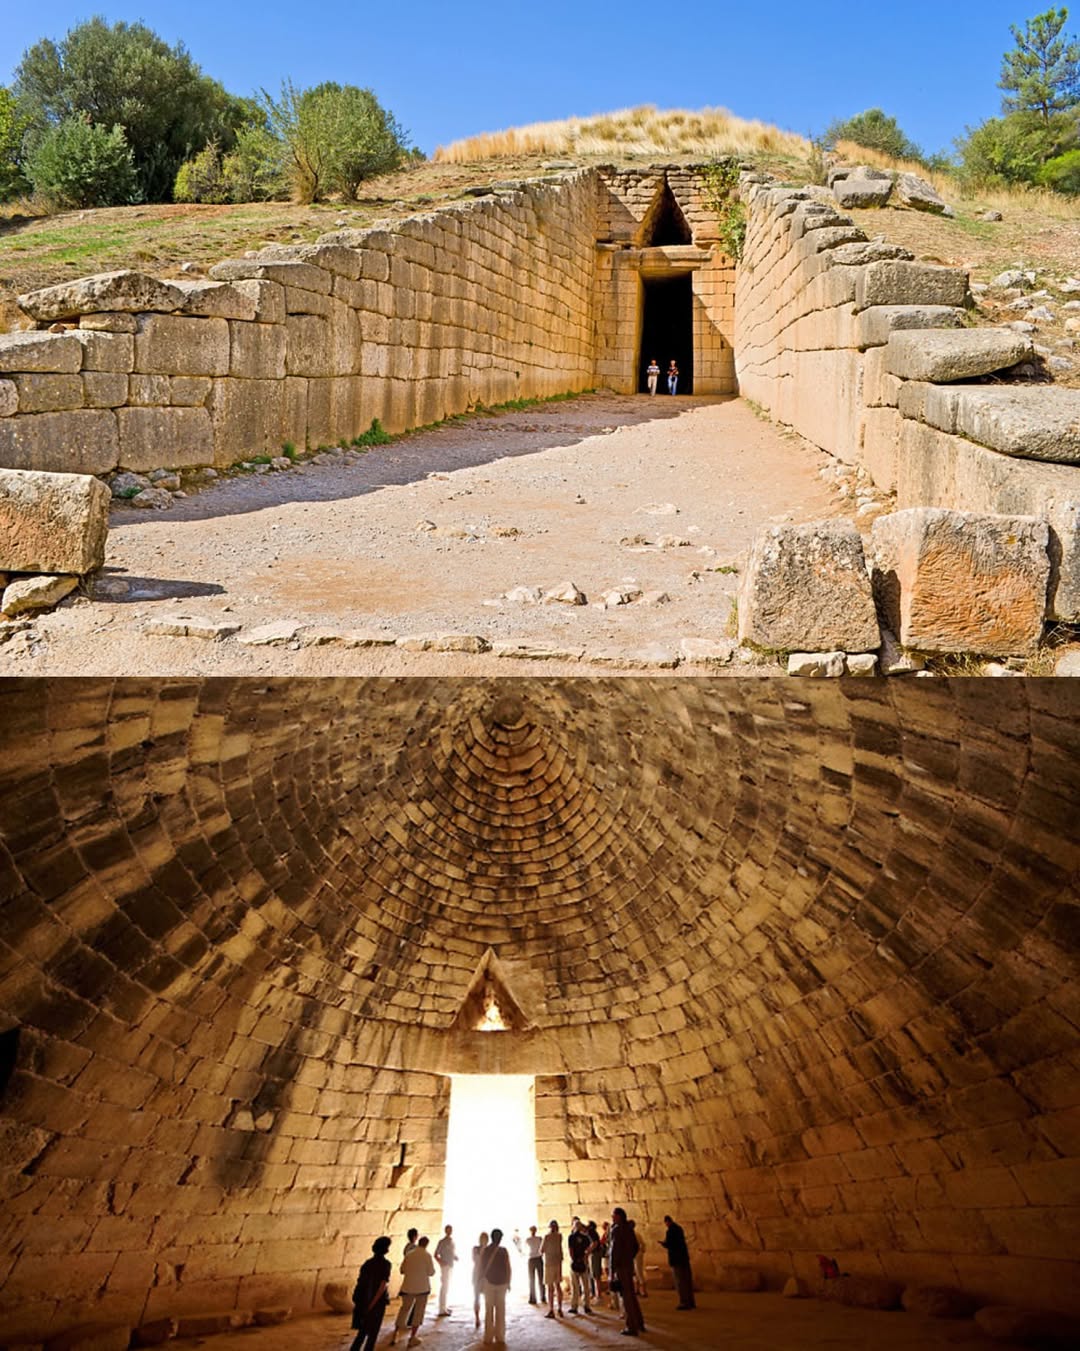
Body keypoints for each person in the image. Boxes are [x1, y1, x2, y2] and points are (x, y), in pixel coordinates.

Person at [389, 1235, 434, 1347]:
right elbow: (431, 1272)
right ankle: (412, 1337)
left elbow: (402, 1270)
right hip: (422, 1288)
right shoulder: (427, 1255)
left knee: (404, 1310)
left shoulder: (409, 1254)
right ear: (427, 1244)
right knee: (418, 1313)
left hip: (407, 1287)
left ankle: (395, 1333)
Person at [349, 1237, 391, 1351]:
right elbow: (382, 1286)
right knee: (372, 1336)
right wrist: (372, 1304)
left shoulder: (367, 1263)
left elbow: (361, 1282)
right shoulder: (386, 1264)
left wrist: (365, 1305)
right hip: (376, 1304)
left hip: (363, 1301)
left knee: (362, 1333)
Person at [609, 1207, 645, 1337]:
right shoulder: (629, 1229)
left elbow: (614, 1252)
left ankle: (631, 1326)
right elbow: (636, 1247)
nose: (612, 1217)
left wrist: (612, 1270)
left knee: (626, 1297)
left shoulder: (617, 1230)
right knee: (631, 1295)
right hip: (628, 1265)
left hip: (621, 1267)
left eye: (613, 1215)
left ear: (618, 1216)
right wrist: (629, 1257)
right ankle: (639, 1323)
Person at [480, 1227, 512, 1345]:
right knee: (500, 1310)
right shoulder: (503, 1251)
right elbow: (508, 1267)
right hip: (502, 1283)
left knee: (489, 1310)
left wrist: (479, 1281)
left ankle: (488, 1337)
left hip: (489, 1282)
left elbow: (481, 1267)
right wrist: (509, 1281)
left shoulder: (486, 1250)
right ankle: (500, 1336)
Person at [660, 1215, 695, 1309]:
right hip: (684, 1258)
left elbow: (670, 1244)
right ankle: (691, 1301)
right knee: (687, 1280)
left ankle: (684, 1302)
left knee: (680, 1281)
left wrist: (663, 1244)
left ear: (667, 1222)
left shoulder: (670, 1231)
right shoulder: (679, 1228)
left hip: (676, 1259)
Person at [567, 1217, 592, 1314]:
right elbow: (588, 1250)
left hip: (575, 1263)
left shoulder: (571, 1237)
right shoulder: (585, 1238)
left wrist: (574, 1260)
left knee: (575, 1286)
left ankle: (574, 1306)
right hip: (583, 1262)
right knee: (585, 1285)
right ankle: (587, 1306)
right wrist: (584, 1259)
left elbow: (571, 1250)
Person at [540, 1219, 564, 1319]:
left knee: (550, 1288)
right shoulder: (559, 1236)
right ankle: (560, 1308)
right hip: (557, 1263)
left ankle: (551, 1310)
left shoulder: (547, 1237)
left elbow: (541, 1250)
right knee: (558, 1286)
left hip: (549, 1263)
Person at [434, 1224, 456, 1317]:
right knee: (444, 1287)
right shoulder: (442, 1242)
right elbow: (436, 1254)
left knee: (447, 1287)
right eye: (448, 1230)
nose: (450, 1231)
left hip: (450, 1265)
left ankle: (444, 1307)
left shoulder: (451, 1241)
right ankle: (441, 1309)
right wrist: (441, 1263)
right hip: (445, 1266)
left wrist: (454, 1257)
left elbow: (451, 1253)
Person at [471, 1231, 489, 1330]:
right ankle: (477, 1318)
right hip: (477, 1275)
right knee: (477, 1297)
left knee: (487, 1298)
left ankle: (487, 1317)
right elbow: (475, 1260)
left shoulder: (488, 1250)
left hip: (486, 1276)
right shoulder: (475, 1249)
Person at [525, 1225, 544, 1304]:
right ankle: (543, 1296)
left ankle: (533, 1298)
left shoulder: (528, 1239)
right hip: (538, 1258)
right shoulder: (540, 1239)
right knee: (541, 1279)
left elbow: (524, 1249)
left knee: (531, 1279)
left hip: (531, 1259)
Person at [586, 1221, 603, 1303]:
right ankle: (597, 1294)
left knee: (596, 1275)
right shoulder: (594, 1232)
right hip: (596, 1254)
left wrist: (588, 1251)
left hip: (594, 1254)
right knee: (596, 1275)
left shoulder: (591, 1232)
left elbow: (595, 1243)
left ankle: (598, 1295)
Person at [630, 1220, 647, 1297]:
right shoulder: (633, 1234)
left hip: (637, 1255)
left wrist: (641, 1251)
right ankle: (636, 1289)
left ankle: (643, 1290)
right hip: (634, 1255)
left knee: (639, 1272)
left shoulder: (635, 1234)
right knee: (634, 1272)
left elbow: (642, 1244)